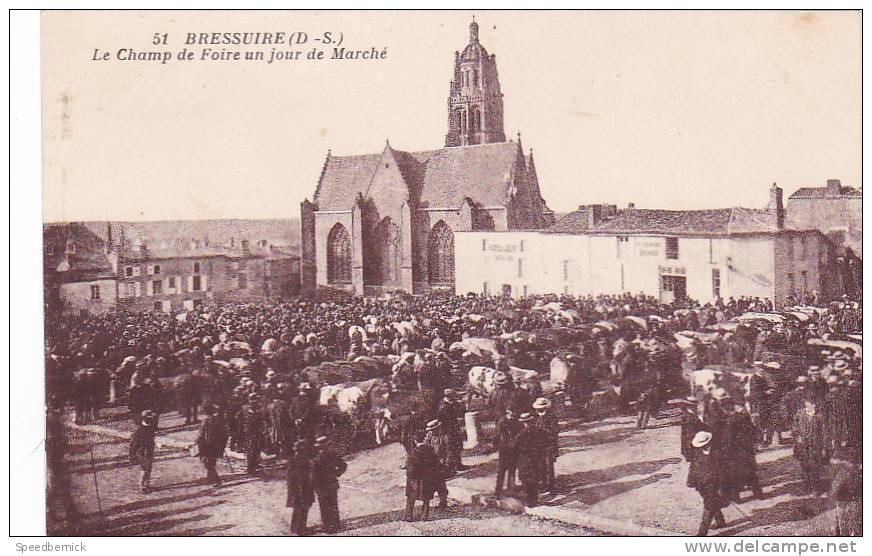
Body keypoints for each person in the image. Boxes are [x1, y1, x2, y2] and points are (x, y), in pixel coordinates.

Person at [686, 431, 727, 536]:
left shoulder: (718, 454)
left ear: (708, 443)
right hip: (702, 485)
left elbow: (724, 472)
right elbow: (693, 468)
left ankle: (701, 534)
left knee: (708, 507)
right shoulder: (697, 453)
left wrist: (723, 487)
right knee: (711, 503)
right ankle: (720, 521)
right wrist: (691, 482)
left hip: (714, 486)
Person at [404, 435, 446, 522]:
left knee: (411, 498)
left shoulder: (414, 451)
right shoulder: (430, 450)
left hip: (416, 480)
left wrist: (408, 473)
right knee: (426, 498)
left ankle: (408, 516)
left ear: (415, 441)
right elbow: (435, 463)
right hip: (427, 479)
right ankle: (424, 516)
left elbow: (411, 467)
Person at [310, 436, 347, 533]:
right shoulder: (333, 454)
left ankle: (327, 526)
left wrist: (312, 486)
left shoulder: (316, 458)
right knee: (333, 504)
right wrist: (337, 473)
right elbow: (343, 465)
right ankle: (336, 524)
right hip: (332, 483)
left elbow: (313, 475)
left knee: (324, 506)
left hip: (321, 486)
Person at [286, 439, 315, 536]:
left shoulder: (292, 459)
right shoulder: (302, 460)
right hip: (301, 489)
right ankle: (301, 530)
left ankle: (294, 528)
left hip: (296, 489)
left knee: (298, 509)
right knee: (302, 509)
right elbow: (298, 477)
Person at [515, 412, 544, 507]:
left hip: (524, 460)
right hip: (536, 458)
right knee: (535, 479)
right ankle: (534, 499)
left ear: (523, 423)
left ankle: (529, 501)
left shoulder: (520, 435)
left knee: (526, 481)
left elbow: (515, 448)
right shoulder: (539, 431)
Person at [196, 402, 228, 486]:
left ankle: (216, 480)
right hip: (216, 445)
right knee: (211, 462)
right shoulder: (216, 420)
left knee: (208, 463)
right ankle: (210, 478)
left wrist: (197, 443)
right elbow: (223, 433)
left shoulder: (205, 421)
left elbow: (201, 435)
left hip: (207, 445)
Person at [532, 397, 559, 492]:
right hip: (538, 446)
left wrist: (543, 433)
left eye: (540, 408)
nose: (538, 409)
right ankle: (543, 484)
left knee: (548, 466)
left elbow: (555, 430)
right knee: (540, 465)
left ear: (545, 408)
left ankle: (550, 486)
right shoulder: (535, 417)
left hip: (548, 445)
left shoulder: (551, 417)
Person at [129, 410, 158, 493]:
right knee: (145, 470)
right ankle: (141, 486)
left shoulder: (151, 427)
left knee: (149, 469)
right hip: (142, 453)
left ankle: (147, 485)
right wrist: (132, 456)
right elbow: (133, 445)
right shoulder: (139, 431)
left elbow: (151, 439)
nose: (151, 420)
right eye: (150, 419)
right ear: (144, 419)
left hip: (149, 452)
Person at [494, 408, 521, 494]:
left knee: (512, 469)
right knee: (502, 469)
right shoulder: (502, 421)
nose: (513, 413)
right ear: (507, 411)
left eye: (515, 411)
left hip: (513, 449)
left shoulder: (516, 421)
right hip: (504, 449)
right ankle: (498, 489)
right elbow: (497, 435)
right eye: (512, 411)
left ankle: (511, 487)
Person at [241, 392, 265, 475]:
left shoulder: (260, 409)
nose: (255, 402)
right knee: (250, 450)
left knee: (257, 449)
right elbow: (239, 419)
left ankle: (255, 465)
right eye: (254, 400)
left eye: (256, 400)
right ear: (250, 400)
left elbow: (262, 420)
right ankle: (250, 468)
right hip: (248, 433)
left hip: (258, 432)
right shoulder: (244, 408)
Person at [680, 397, 707, 462]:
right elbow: (698, 424)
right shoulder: (691, 416)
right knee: (690, 443)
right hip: (690, 433)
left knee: (687, 442)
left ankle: (688, 455)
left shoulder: (686, 415)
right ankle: (690, 456)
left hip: (688, 433)